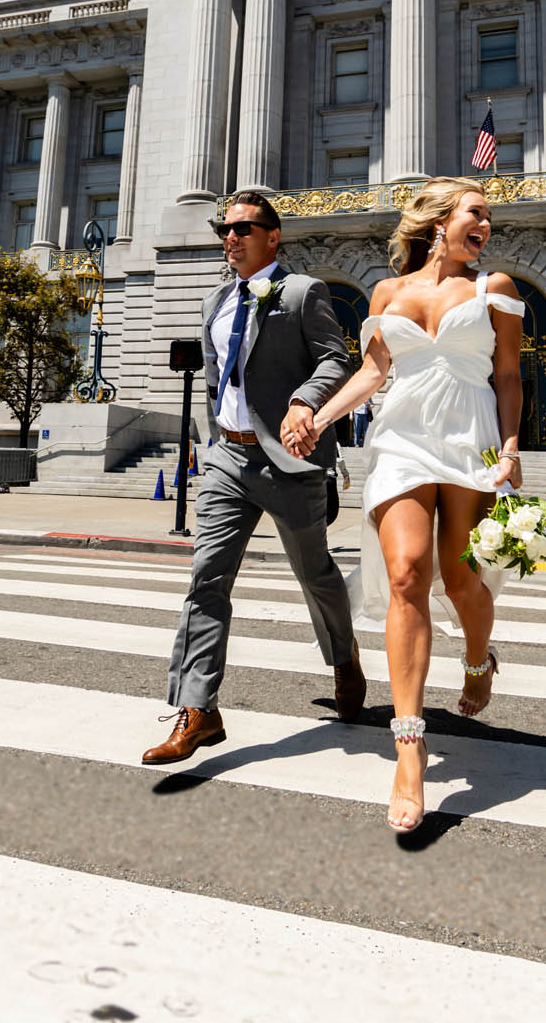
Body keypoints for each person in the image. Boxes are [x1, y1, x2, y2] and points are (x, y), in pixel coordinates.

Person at [282, 178, 524, 834]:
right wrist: (317, 416)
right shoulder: (387, 294)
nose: (487, 226)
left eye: (489, 218)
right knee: (408, 574)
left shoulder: (493, 289)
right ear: (441, 220)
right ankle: (409, 748)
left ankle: (478, 660)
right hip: (403, 442)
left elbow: (507, 375)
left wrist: (509, 449)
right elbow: (372, 373)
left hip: (469, 440)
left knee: (461, 575)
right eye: (477, 214)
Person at [142, 190, 366, 766]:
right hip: (228, 458)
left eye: (244, 227)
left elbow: (336, 360)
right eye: (225, 228)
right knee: (206, 580)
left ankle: (344, 658)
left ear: (273, 236)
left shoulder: (301, 291)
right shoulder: (215, 299)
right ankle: (198, 709)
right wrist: (214, 438)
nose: (230, 236)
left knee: (314, 573)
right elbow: (223, 380)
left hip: (289, 461)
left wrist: (303, 403)